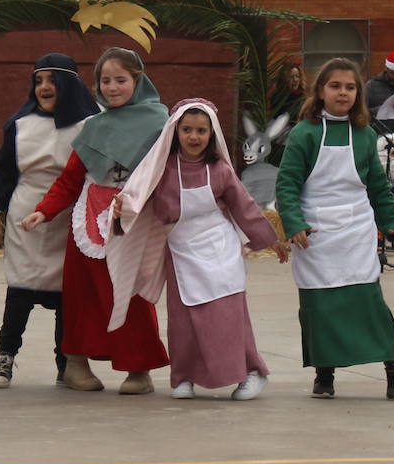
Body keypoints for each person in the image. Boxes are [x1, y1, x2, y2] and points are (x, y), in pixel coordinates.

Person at [107, 99, 287, 400]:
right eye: (187, 129)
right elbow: (140, 202)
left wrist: (271, 240)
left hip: (220, 248)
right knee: (183, 321)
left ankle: (251, 372)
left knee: (227, 318)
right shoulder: (160, 170)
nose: (194, 137)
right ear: (175, 132)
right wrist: (121, 213)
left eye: (201, 131)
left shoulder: (221, 171)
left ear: (211, 134)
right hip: (181, 250)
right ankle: (183, 376)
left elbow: (244, 206)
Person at [22, 47, 170, 394]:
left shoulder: (161, 125)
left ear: (139, 80)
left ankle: (139, 370)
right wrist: (44, 210)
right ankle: (76, 364)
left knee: (130, 295)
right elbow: (70, 179)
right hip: (87, 220)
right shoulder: (94, 127)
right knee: (81, 296)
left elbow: (168, 176)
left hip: (132, 220)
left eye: (121, 80)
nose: (112, 87)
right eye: (105, 81)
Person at [275, 59, 394, 400]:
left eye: (350, 87)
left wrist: (392, 223)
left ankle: (392, 364)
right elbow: (287, 184)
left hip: (355, 231)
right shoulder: (304, 134)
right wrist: (294, 223)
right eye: (335, 86)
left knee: (368, 302)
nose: (343, 93)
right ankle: (325, 372)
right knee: (319, 305)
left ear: (358, 94)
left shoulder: (365, 135)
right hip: (315, 234)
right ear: (320, 91)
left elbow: (378, 187)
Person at [0, 53, 100, 389]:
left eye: (51, 81)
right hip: (26, 213)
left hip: (69, 216)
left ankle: (66, 362)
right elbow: (3, 172)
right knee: (21, 287)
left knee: (66, 295)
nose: (43, 87)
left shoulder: (92, 124)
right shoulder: (19, 125)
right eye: (38, 80)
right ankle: (5, 355)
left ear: (68, 85)